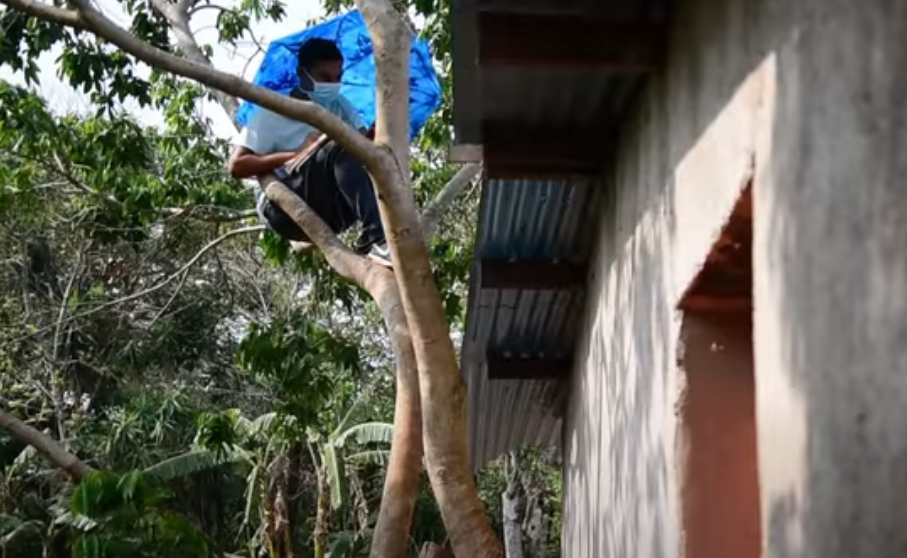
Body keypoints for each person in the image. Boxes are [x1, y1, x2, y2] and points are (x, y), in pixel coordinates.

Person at [228, 37, 391, 267]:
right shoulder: (272, 112)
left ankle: (374, 238)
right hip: (283, 209)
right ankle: (378, 238)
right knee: (337, 144)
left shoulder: (339, 106)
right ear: (303, 74)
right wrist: (294, 154)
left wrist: (370, 138)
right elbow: (237, 166)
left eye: (338, 78)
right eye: (325, 78)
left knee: (377, 160)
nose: (333, 85)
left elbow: (357, 154)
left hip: (335, 211)